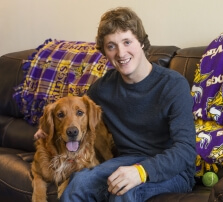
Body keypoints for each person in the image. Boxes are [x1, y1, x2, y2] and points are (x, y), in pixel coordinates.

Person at [35, 7, 196, 202]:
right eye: (111, 46)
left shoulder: (173, 85)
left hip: (173, 171)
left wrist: (141, 172)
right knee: (78, 183)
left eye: (127, 42)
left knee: (124, 192)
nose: (121, 53)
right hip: (126, 161)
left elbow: (186, 150)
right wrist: (46, 128)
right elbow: (74, 112)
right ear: (105, 52)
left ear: (142, 43)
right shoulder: (102, 89)